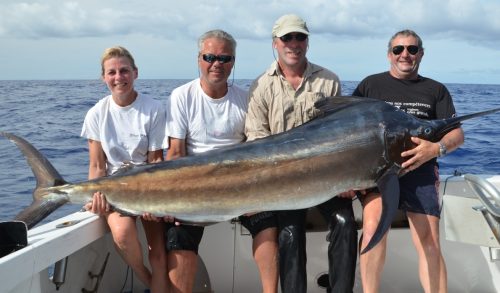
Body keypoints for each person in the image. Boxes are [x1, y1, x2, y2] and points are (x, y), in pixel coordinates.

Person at [244, 14, 358, 293]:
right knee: (290, 233)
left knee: (346, 222)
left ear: (307, 42)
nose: (293, 43)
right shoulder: (261, 85)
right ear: (275, 43)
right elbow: (257, 140)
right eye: (287, 38)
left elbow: (341, 136)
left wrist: (345, 178)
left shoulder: (329, 80)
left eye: (300, 37)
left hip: (323, 178)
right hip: (283, 182)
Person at [353, 29, 464, 293]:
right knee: (372, 230)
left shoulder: (435, 90)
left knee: (430, 241)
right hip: (378, 172)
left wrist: (435, 149)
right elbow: (350, 129)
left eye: (412, 50)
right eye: (398, 49)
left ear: (421, 54)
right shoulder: (370, 85)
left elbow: (457, 134)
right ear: (389, 54)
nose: (405, 55)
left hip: (420, 171)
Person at [165, 29, 248, 293]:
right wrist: (170, 198)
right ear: (199, 59)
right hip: (194, 188)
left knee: (270, 224)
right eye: (210, 57)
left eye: (224, 58)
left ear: (233, 62)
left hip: (239, 188)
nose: (217, 64)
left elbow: (253, 150)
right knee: (178, 234)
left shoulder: (245, 99)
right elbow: (176, 154)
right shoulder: (181, 96)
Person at [81, 46, 168, 293]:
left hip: (149, 189)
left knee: (159, 254)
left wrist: (155, 201)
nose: (119, 77)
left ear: (135, 73)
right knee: (122, 235)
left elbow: (155, 162)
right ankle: (148, 280)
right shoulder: (96, 114)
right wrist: (93, 197)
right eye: (112, 72)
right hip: (113, 192)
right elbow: (97, 166)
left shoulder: (153, 109)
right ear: (104, 77)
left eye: (124, 71)